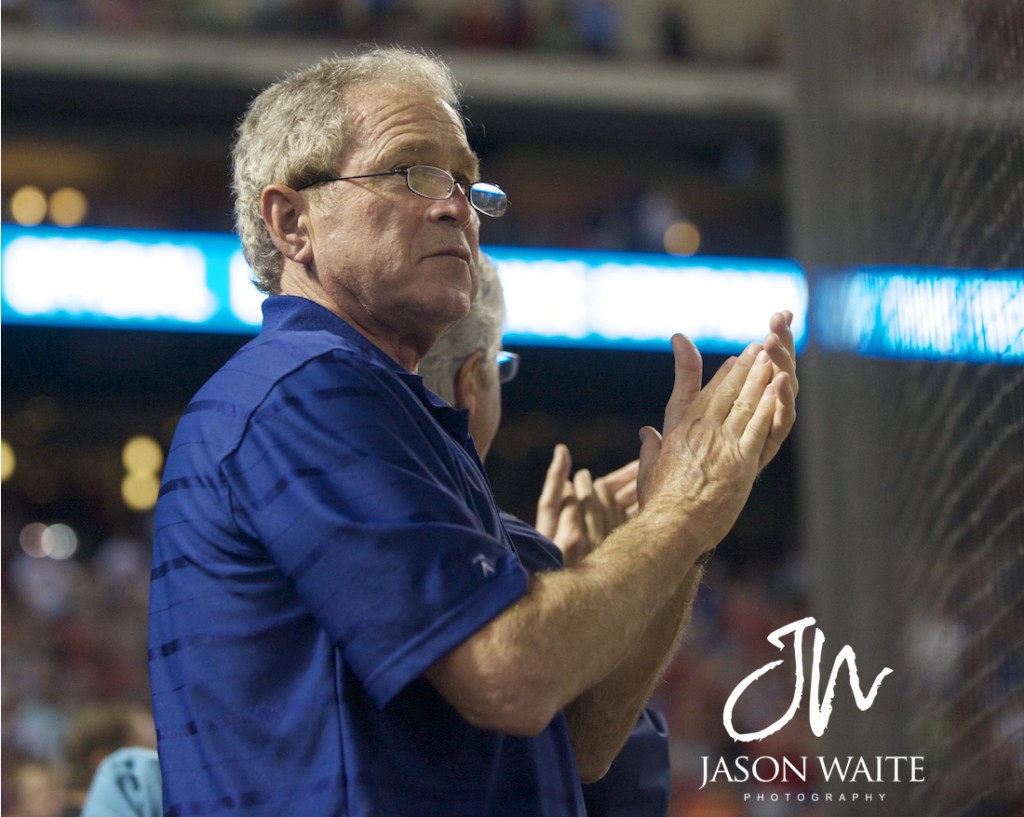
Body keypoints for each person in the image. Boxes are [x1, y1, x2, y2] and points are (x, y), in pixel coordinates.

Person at [148, 46, 798, 817]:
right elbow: (508, 674)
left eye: (465, 180)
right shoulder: (304, 389)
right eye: (411, 171)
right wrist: (680, 513)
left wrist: (686, 530)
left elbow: (581, 739)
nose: (456, 204)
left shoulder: (394, 412)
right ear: (292, 221)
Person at [418, 254, 670, 817]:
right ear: (471, 385)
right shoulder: (498, 546)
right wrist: (575, 585)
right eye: (501, 368)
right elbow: (612, 782)